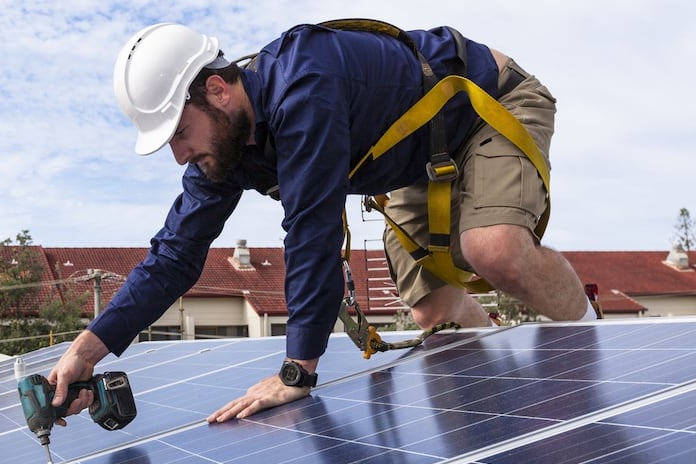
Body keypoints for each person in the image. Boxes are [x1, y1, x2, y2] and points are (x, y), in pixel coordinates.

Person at [48, 20, 595, 424]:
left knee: (492, 248)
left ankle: (600, 356)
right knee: (435, 308)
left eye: (179, 134)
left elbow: (312, 232)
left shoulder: (304, 85)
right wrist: (84, 352)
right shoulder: (224, 144)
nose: (179, 156)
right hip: (414, 161)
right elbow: (173, 257)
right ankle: (501, 425)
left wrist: (298, 370)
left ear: (216, 90)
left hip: (484, 108)